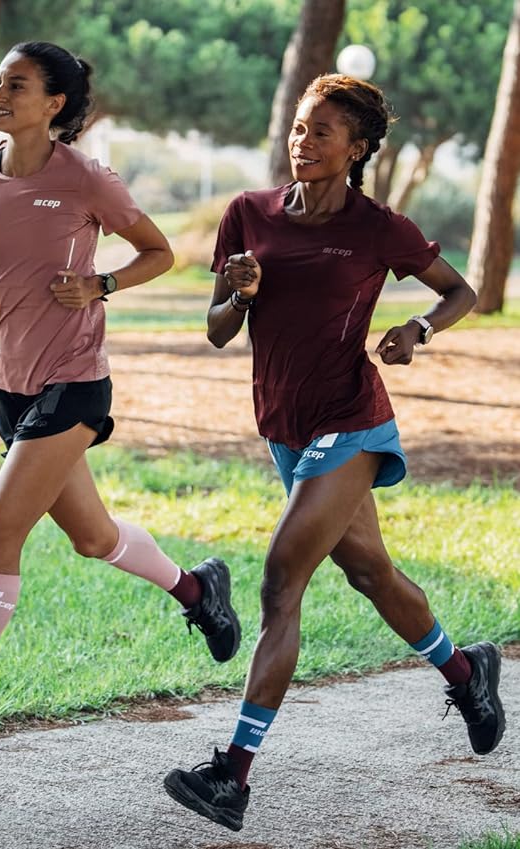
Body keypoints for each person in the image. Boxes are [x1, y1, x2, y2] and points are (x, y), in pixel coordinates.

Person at [0, 41, 241, 760]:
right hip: (7, 384)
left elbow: (159, 252)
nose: (0, 96)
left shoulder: (86, 178)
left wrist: (102, 284)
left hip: (73, 381)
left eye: (17, 85)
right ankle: (196, 590)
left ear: (54, 103)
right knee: (93, 538)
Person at [163, 74, 505, 832]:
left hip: (351, 421)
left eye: (322, 131)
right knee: (370, 572)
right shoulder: (247, 214)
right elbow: (217, 330)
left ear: (357, 148)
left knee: (280, 581)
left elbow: (460, 291)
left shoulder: (377, 227)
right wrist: (240, 294)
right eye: (299, 127)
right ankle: (466, 671)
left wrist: (416, 328)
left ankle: (232, 775)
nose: (303, 141)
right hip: (282, 425)